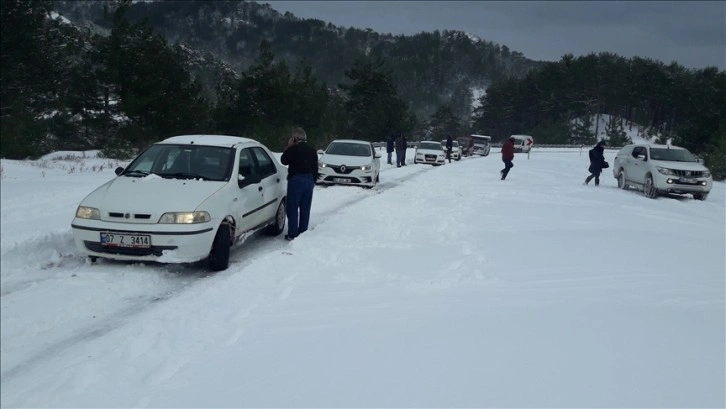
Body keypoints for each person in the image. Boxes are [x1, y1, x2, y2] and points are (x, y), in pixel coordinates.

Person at [280, 127, 318, 241]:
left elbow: (284, 160)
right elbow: (315, 168)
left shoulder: (293, 149)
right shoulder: (312, 150)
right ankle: (303, 233)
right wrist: (313, 181)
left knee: (292, 207)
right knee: (305, 208)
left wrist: (289, 147)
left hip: (296, 180)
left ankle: (292, 233)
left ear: (295, 138)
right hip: (309, 179)